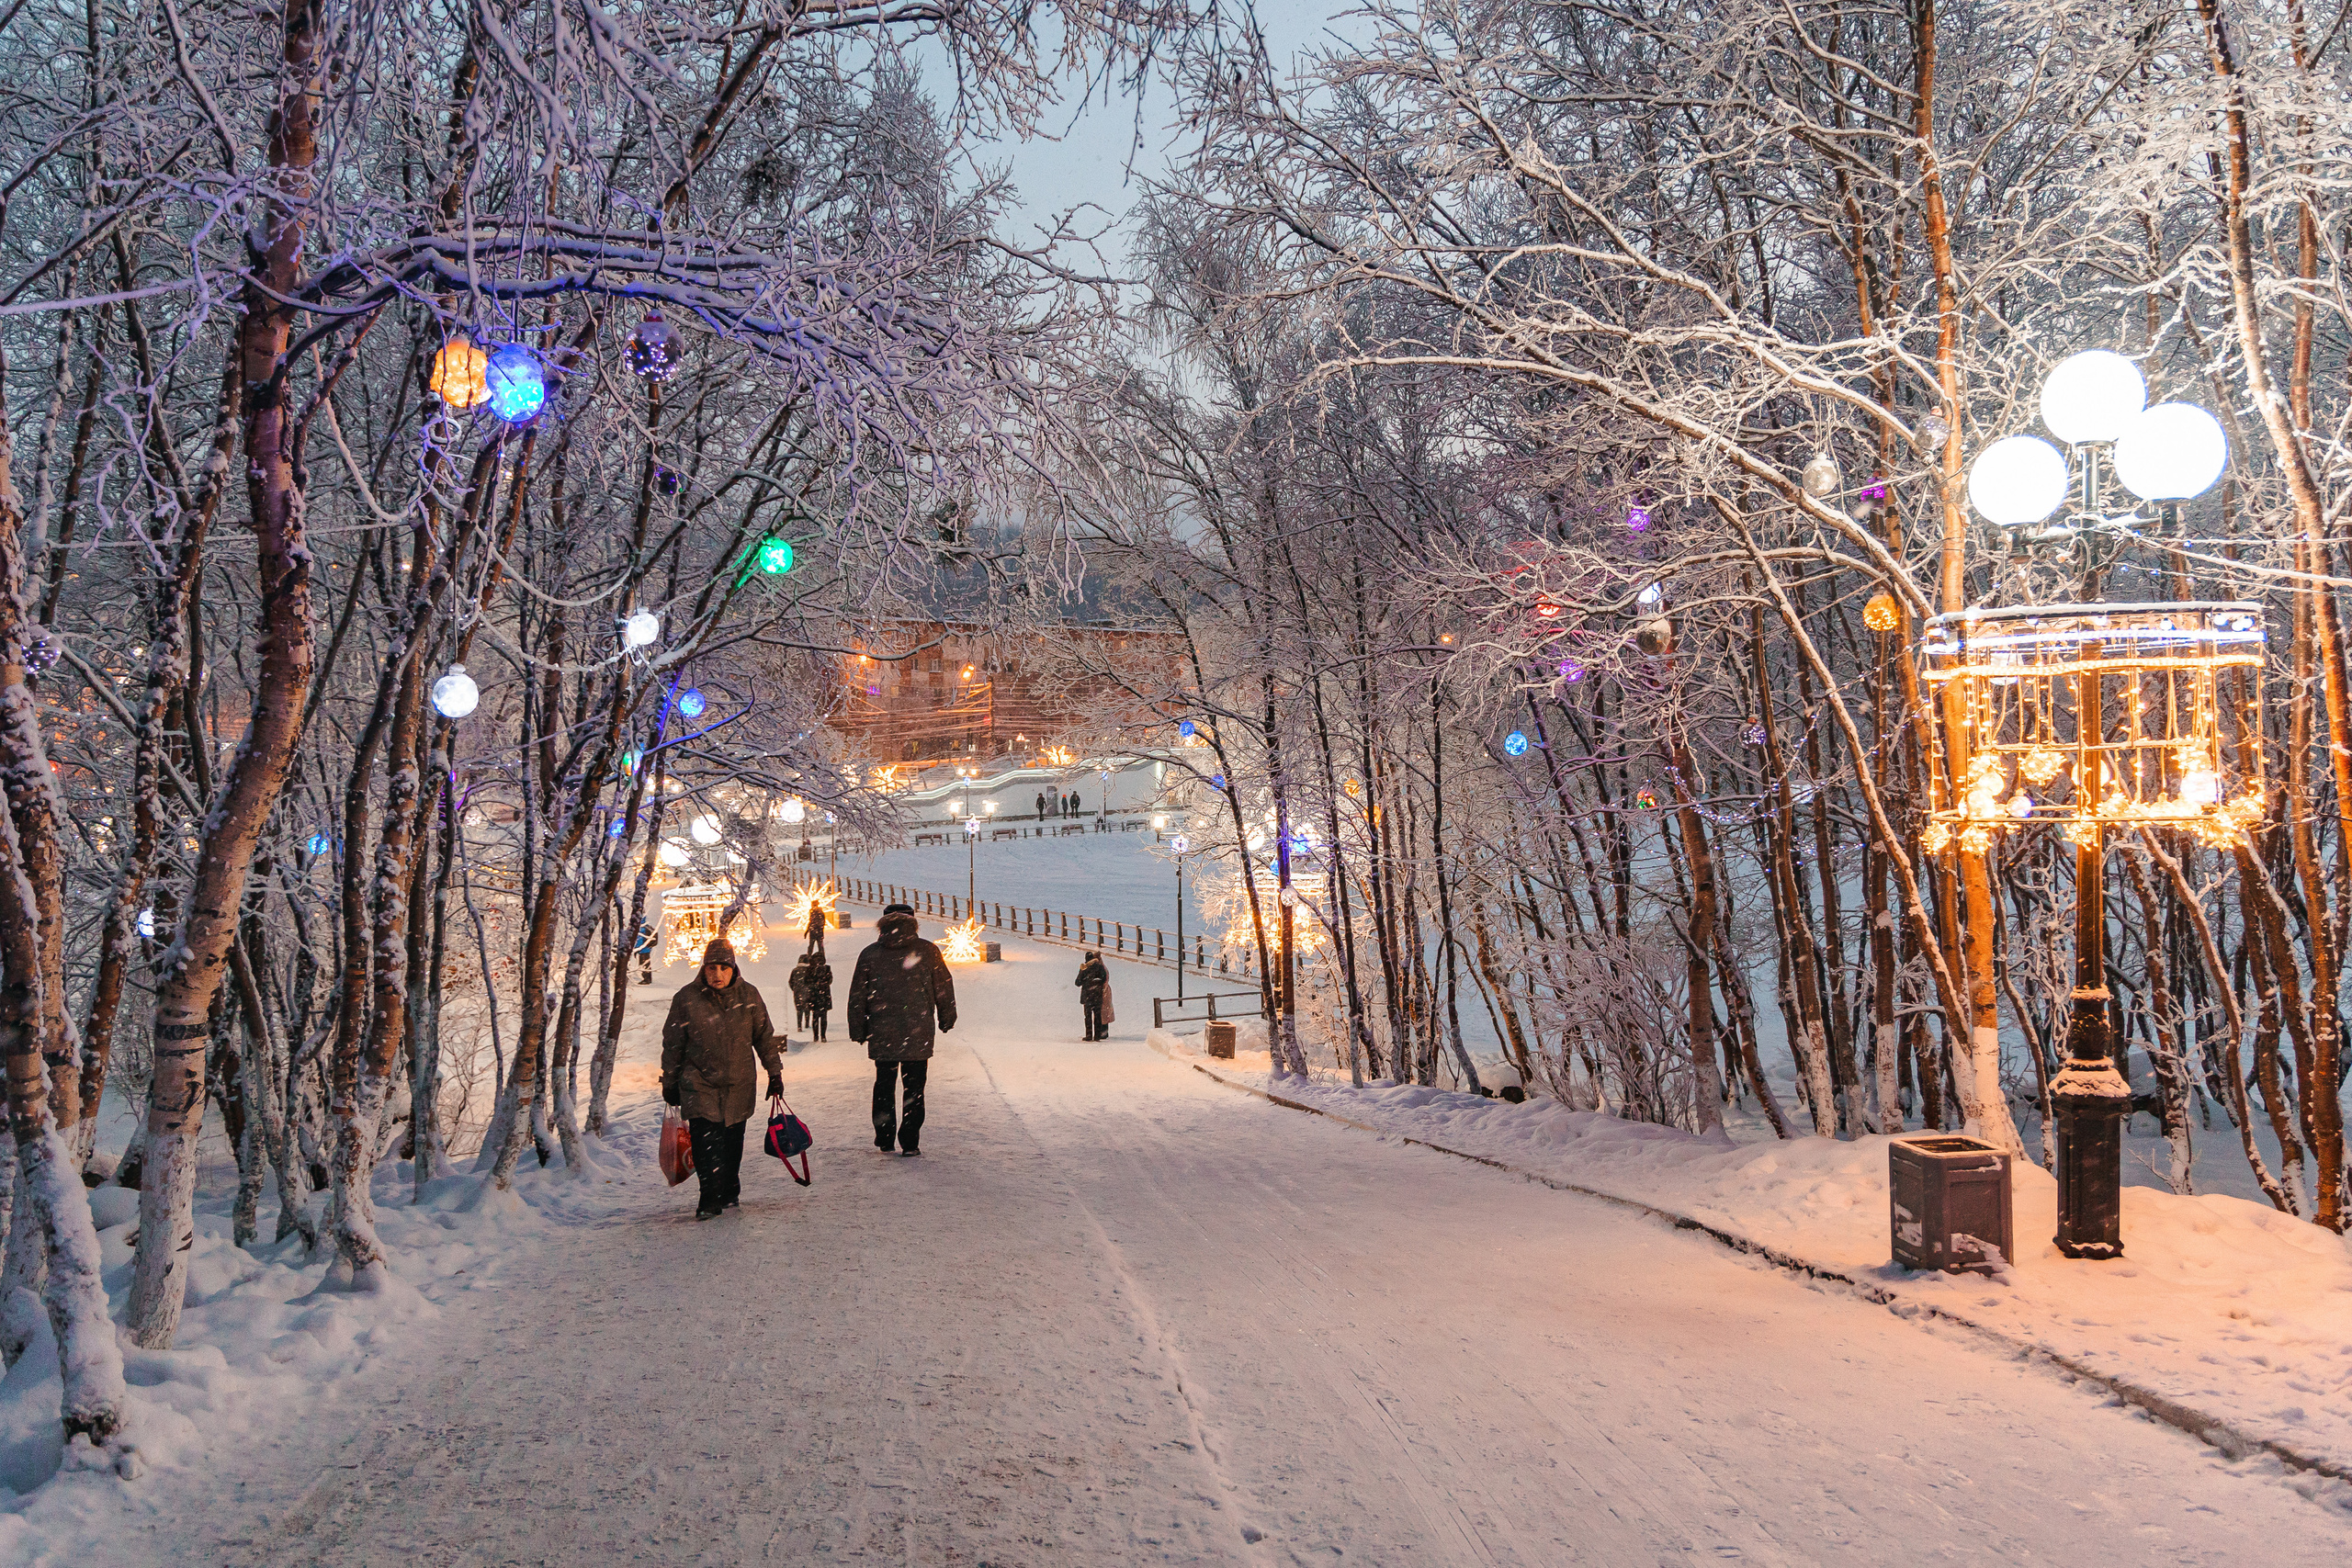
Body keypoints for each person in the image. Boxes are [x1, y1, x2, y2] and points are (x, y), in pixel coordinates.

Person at [662, 939, 785, 1220]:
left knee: (732, 1142)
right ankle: (709, 1195)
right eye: (711, 968)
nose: (717, 974)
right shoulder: (686, 999)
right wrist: (669, 1081)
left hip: (738, 1082)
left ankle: (729, 1188)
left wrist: (774, 1073)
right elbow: (673, 1044)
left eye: (723, 968)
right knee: (706, 1143)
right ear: (703, 969)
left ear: (734, 969)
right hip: (698, 1082)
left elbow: (764, 1038)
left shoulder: (749, 996)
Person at [846, 903, 956, 1156]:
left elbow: (857, 995)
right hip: (917, 1031)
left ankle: (884, 1138)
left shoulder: (871, 954)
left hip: (882, 1031)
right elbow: (943, 986)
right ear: (913, 922)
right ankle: (910, 1141)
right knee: (914, 1089)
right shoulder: (927, 951)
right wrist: (947, 1017)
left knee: (884, 1085)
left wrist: (858, 1028)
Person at [1076, 951, 1111, 1041]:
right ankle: (1097, 1036)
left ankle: (1089, 1035)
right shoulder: (1099, 967)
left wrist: (1086, 981)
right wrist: (1096, 984)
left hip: (1087, 995)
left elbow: (1078, 982)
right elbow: (1104, 978)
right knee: (1097, 1015)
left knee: (1088, 1016)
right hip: (1097, 995)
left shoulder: (1084, 968)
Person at [804, 952, 834, 1043]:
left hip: (814, 995)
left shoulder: (809, 969)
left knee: (815, 1017)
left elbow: (806, 981)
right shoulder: (827, 968)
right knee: (824, 1017)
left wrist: (814, 985)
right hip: (824, 994)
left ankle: (815, 1036)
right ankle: (823, 1036)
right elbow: (830, 980)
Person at [788, 954, 813, 1032]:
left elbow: (790, 982)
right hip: (808, 991)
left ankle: (799, 1025)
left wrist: (795, 989)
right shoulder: (810, 970)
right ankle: (807, 1022)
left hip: (797, 992)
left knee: (799, 1009)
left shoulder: (795, 970)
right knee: (807, 1007)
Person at [633, 919, 657, 985]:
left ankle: (647, 979)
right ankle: (647, 978)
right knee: (645, 964)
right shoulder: (645, 927)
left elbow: (639, 940)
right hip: (646, 949)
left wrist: (637, 948)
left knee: (644, 964)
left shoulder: (641, 928)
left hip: (643, 949)